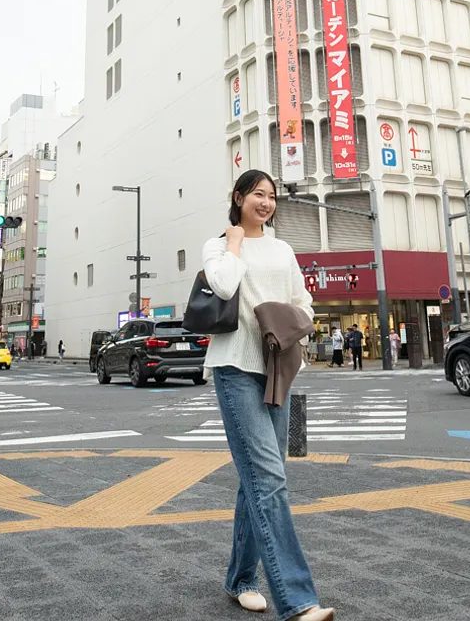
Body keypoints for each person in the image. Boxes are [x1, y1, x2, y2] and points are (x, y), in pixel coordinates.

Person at [202, 169, 335, 621]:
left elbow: (303, 301)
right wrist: (235, 242)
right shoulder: (218, 246)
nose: (266, 202)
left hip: (278, 366)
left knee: (259, 479)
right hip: (235, 367)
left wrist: (289, 320)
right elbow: (222, 285)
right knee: (269, 479)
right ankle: (298, 602)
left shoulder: (282, 247)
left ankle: (240, 578)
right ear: (237, 196)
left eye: (272, 196)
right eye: (257, 194)